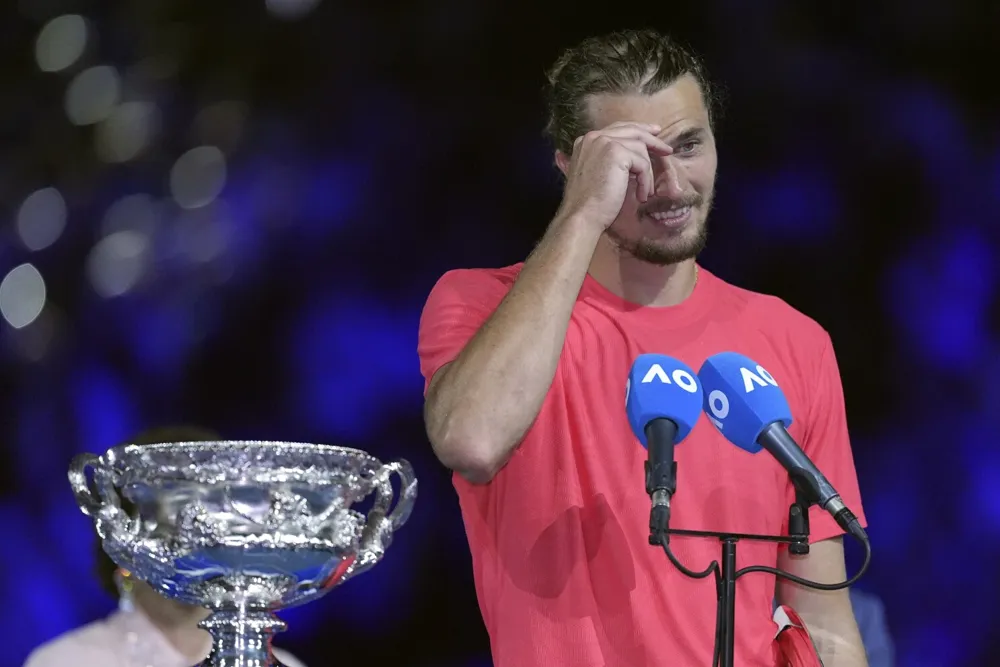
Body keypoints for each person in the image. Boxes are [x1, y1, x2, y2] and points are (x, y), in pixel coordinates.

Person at [417, 28, 869, 667]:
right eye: (634, 161)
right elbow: (473, 440)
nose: (671, 184)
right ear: (570, 166)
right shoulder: (480, 305)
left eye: (689, 146)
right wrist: (581, 216)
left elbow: (824, 625)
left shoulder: (793, 340)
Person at [24, 426, 307, 667]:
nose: (195, 547)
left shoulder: (279, 663)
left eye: (214, 523)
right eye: (175, 524)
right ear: (122, 540)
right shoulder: (65, 660)